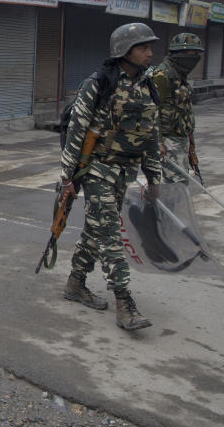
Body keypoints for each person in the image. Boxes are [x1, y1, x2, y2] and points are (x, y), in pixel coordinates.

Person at [59, 22, 162, 331]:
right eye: (143, 47)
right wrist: (67, 177)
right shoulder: (99, 83)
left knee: (95, 230)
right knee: (110, 235)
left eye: (149, 47)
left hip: (124, 172)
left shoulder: (147, 84)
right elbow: (76, 131)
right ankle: (124, 302)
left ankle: (75, 284)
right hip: (97, 170)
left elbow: (151, 136)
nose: (149, 52)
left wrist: (153, 178)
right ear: (124, 50)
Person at [149, 33, 203, 183]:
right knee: (175, 185)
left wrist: (190, 137)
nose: (196, 58)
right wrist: (158, 142)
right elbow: (152, 111)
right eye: (193, 54)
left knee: (180, 182)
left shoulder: (179, 75)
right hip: (167, 141)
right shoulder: (163, 75)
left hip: (180, 140)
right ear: (180, 53)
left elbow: (183, 109)